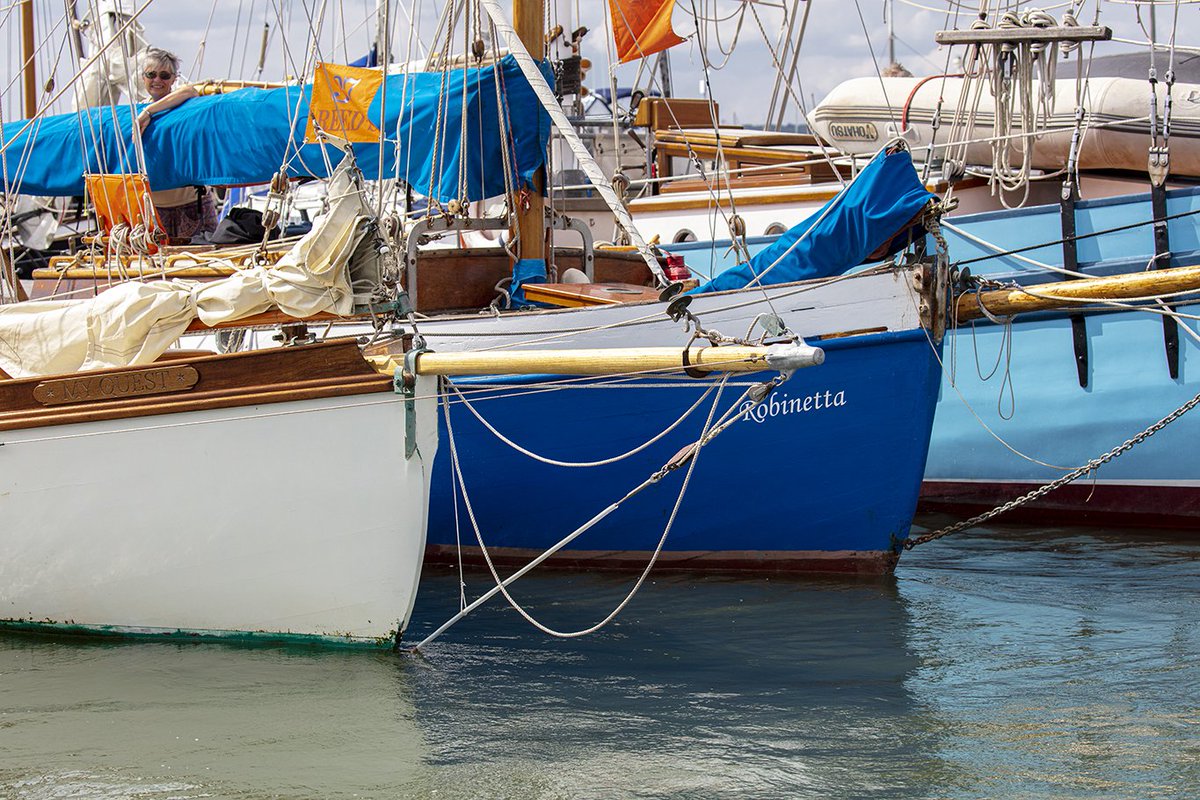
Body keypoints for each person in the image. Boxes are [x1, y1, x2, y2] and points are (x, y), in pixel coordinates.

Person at [134, 47, 218, 241]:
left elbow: (190, 90)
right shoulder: (134, 111)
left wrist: (149, 112)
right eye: (151, 74)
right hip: (156, 208)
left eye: (164, 75)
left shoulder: (185, 103)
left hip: (192, 204)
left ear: (173, 79)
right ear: (143, 77)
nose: (157, 80)